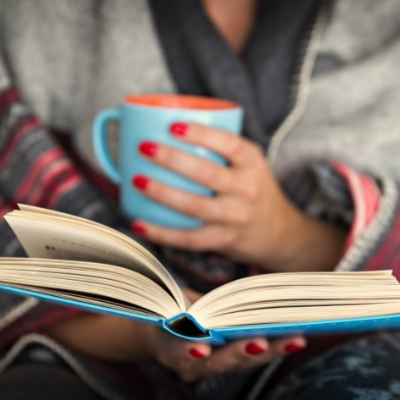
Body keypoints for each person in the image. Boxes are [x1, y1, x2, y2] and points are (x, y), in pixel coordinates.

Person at [0, 0, 400, 399]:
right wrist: (138, 329)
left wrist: (287, 236)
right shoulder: (36, 16)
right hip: (87, 355)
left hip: (342, 349)